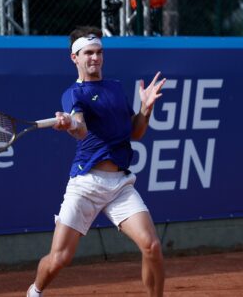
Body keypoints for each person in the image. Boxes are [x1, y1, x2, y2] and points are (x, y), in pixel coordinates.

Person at [27, 26, 166, 297]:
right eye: (88, 53)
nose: (95, 58)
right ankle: (34, 291)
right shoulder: (73, 94)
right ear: (74, 58)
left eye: (99, 52)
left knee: (152, 246)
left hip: (120, 185)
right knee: (59, 259)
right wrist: (70, 123)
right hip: (86, 184)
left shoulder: (114, 87)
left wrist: (145, 109)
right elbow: (80, 128)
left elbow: (135, 132)